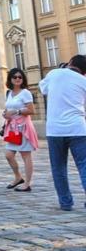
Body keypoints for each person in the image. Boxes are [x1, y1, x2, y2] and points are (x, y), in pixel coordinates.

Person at [38, 54, 86, 211]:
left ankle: (65, 203)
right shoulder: (83, 81)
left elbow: (43, 88)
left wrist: (60, 69)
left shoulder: (54, 74)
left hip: (55, 130)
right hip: (78, 128)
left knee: (58, 168)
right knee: (84, 166)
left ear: (70, 62)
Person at [1, 68, 38, 192]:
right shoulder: (9, 93)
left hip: (23, 128)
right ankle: (18, 177)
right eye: (15, 77)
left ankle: (27, 184)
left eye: (20, 77)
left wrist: (16, 111)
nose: (17, 79)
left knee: (25, 155)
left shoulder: (26, 93)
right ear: (10, 79)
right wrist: (6, 114)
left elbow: (32, 110)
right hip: (12, 128)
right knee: (8, 155)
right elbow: (9, 109)